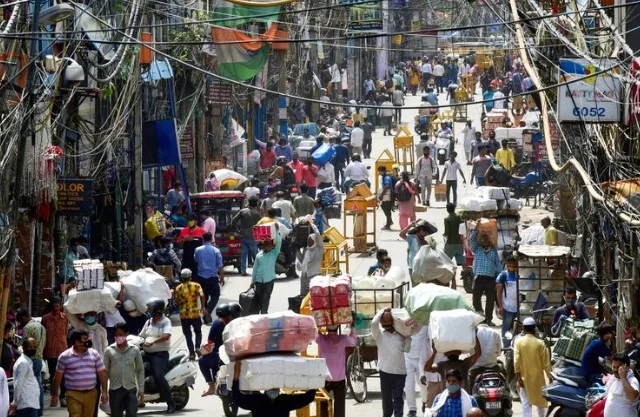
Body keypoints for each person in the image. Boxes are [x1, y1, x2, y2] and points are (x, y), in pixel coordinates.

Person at [51, 329, 109, 416]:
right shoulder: (64, 356)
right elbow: (57, 377)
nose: (88, 341)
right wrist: (55, 395)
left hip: (91, 393)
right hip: (73, 394)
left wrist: (104, 392)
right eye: (85, 339)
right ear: (77, 342)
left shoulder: (94, 354)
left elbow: (102, 374)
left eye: (88, 339)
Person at [231, 360, 316, 417]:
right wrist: (313, 377)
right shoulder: (286, 401)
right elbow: (309, 397)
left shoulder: (257, 401)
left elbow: (237, 398)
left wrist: (236, 375)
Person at [371, 308, 411, 417]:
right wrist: (383, 310)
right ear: (381, 321)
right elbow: (374, 323)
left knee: (398, 397)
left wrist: (407, 338)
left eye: (389, 320)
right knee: (386, 398)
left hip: (399, 372)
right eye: (384, 321)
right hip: (385, 371)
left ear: (393, 321)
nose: (386, 323)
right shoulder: (379, 334)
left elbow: (407, 349)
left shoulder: (401, 335)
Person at [138, 299, 175, 413]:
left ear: (157, 310)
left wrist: (154, 341)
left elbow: (167, 335)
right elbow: (141, 336)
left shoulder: (166, 321)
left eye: (150, 309)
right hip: (146, 353)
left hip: (159, 355)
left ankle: (170, 402)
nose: (148, 311)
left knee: (158, 376)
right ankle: (140, 398)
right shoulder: (148, 322)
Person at [103, 323, 144, 417]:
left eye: (121, 334)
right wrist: (104, 392)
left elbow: (140, 370)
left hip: (130, 389)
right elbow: (105, 373)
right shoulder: (109, 350)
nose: (118, 337)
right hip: (115, 390)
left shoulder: (134, 350)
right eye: (116, 335)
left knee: (132, 414)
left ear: (126, 334)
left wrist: (141, 389)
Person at [199, 303, 240, 397]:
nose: (224, 318)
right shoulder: (219, 324)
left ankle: (212, 386)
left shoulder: (235, 325)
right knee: (203, 361)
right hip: (222, 356)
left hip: (233, 356)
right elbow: (210, 343)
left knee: (203, 361)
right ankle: (212, 386)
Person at [316, 326, 357, 417]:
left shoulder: (321, 339)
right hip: (339, 378)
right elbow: (353, 341)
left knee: (323, 403)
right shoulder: (343, 339)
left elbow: (314, 333)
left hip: (324, 377)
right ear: (338, 327)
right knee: (340, 404)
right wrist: (352, 326)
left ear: (326, 328)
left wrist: (317, 325)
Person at [514, 317, 551, 417]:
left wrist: (518, 377)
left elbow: (516, 361)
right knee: (540, 402)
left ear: (523, 328)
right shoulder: (540, 343)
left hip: (524, 378)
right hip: (538, 379)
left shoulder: (518, 342)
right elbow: (546, 364)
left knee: (526, 403)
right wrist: (550, 377)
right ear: (534, 328)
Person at [469, 227, 502, 326]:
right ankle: (480, 316)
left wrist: (501, 277)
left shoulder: (493, 251)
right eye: (483, 240)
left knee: (490, 300)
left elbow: (498, 265)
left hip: (490, 279)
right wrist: (476, 229)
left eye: (486, 240)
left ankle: (488, 319)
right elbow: (472, 240)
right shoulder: (477, 249)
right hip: (479, 278)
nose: (485, 242)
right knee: (476, 298)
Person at [15, 310, 45, 416]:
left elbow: (25, 344)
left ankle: (33, 409)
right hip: (39, 358)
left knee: (28, 385)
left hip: (31, 359)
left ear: (24, 318)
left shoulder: (27, 328)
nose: (20, 323)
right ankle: (39, 408)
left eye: (20, 321)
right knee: (37, 384)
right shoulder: (41, 327)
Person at [41, 298, 69, 407]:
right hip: (50, 351)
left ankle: (62, 397)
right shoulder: (46, 319)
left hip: (63, 350)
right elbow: (43, 335)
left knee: (64, 375)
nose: (56, 308)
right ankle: (54, 396)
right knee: (53, 374)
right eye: (54, 306)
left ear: (60, 306)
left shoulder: (65, 318)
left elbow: (66, 333)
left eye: (57, 306)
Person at [174, 269, 205, 360]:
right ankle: (197, 347)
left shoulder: (178, 288)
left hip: (184, 316)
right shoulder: (196, 285)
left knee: (188, 335)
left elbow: (176, 302)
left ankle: (192, 353)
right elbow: (202, 295)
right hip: (195, 314)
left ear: (181, 277)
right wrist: (202, 307)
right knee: (198, 332)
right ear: (190, 276)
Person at [250, 231, 282, 314]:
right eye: (267, 244)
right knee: (259, 299)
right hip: (258, 281)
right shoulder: (258, 255)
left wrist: (277, 232)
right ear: (264, 245)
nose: (269, 245)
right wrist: (252, 281)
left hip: (269, 281)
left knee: (266, 298)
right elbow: (255, 269)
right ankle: (261, 314)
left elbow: (279, 243)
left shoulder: (274, 253)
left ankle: (264, 313)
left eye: (270, 244)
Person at [194, 232, 225, 317]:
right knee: (215, 296)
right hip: (212, 278)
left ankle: (206, 313)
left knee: (204, 297)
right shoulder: (216, 250)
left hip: (201, 277)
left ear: (203, 239)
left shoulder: (197, 250)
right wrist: (222, 278)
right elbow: (220, 266)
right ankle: (208, 312)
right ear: (211, 239)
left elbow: (196, 260)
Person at [232, 197, 261, 276]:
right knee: (255, 255)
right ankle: (258, 271)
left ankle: (243, 271)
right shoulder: (257, 213)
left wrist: (237, 231)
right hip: (253, 237)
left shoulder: (242, 211)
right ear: (256, 204)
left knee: (244, 254)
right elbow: (260, 225)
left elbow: (233, 220)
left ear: (248, 203)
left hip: (243, 235)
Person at [467, 324, 502, 389]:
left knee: (469, 383)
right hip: (492, 367)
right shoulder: (495, 333)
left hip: (476, 368)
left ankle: (470, 393)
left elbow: (468, 351)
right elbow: (498, 352)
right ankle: (508, 390)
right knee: (503, 373)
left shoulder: (472, 334)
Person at [12, 338, 41, 417]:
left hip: (30, 403)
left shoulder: (27, 361)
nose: (33, 349)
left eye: (34, 347)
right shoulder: (23, 362)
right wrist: (15, 402)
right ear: (24, 348)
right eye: (30, 347)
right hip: (26, 404)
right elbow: (18, 383)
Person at [405, 326, 429, 417]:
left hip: (422, 359)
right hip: (407, 357)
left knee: (423, 385)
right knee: (408, 385)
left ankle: (425, 402)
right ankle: (412, 409)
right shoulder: (405, 322)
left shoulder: (426, 324)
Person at [496, 255, 519, 341]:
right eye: (510, 264)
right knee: (506, 328)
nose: (511, 266)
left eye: (513, 264)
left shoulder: (518, 275)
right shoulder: (503, 275)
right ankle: (506, 346)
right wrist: (500, 307)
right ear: (507, 264)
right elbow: (499, 293)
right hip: (507, 306)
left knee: (517, 328)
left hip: (518, 307)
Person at [443, 203, 464, 269]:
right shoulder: (460, 217)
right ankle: (465, 273)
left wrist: (444, 236)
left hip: (450, 243)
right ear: (454, 209)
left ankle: (452, 273)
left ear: (447, 209)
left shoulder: (447, 219)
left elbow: (447, 232)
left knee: (446, 262)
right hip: (459, 243)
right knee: (461, 262)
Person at [378, 166, 395, 230]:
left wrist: (381, 195)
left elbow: (387, 186)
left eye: (381, 171)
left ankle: (388, 223)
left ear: (384, 171)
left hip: (389, 195)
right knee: (384, 207)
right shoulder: (384, 177)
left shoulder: (386, 177)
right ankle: (389, 222)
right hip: (386, 194)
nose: (380, 172)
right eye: (379, 171)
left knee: (387, 209)